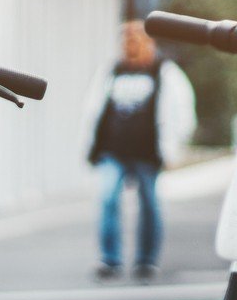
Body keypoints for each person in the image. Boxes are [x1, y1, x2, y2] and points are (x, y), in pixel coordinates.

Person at [82, 19, 196, 282]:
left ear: (149, 42)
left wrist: (172, 148)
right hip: (113, 150)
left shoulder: (165, 72)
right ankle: (110, 260)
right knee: (108, 199)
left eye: (135, 39)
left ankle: (146, 261)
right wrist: (90, 145)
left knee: (149, 204)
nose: (130, 45)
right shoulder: (111, 71)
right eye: (126, 40)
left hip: (147, 152)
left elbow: (182, 112)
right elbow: (93, 110)